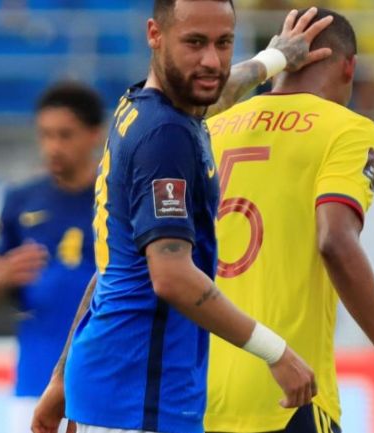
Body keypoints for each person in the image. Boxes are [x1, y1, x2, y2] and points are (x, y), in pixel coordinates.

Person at [31, 3, 334, 433]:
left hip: (110, 388)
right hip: (140, 398)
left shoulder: (139, 109)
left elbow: (111, 271)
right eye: (194, 43)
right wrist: (277, 352)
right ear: (154, 34)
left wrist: (276, 57)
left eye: (223, 43)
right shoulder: (166, 138)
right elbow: (171, 276)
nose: (211, 60)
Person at [205, 8, 374, 433]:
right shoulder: (347, 130)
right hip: (285, 393)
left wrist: (266, 61)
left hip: (195, 396)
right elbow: (335, 240)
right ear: (349, 67)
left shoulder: (211, 126)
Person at [0, 82, 104, 433]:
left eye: (65, 135)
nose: (53, 147)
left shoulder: (117, 196)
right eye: (45, 135)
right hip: (33, 383)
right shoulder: (20, 200)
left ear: (94, 134)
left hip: (103, 384)